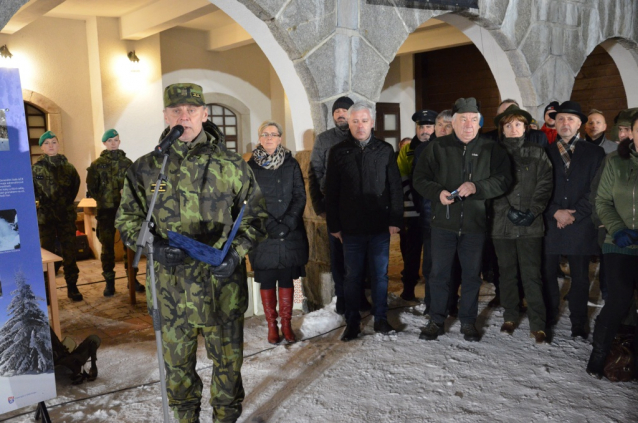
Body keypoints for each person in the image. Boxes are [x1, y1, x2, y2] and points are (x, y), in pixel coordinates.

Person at [115, 83, 267, 423]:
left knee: (228, 367)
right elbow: (127, 218)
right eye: (176, 111)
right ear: (166, 116)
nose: (184, 117)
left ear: (204, 114)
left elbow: (256, 217)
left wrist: (236, 253)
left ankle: (226, 418)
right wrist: (154, 246)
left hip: (221, 288)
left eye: (191, 111)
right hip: (171, 291)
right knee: (178, 370)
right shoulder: (146, 167)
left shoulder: (232, 165)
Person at [413, 97, 512, 342]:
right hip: (442, 224)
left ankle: (468, 321)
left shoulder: (492, 149)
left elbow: (504, 180)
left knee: (470, 275)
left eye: (473, 120)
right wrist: (437, 193)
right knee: (438, 275)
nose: (468, 124)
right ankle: (436, 320)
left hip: (475, 225)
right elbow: (420, 179)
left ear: (479, 123)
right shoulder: (437, 147)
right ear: (454, 123)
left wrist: (477, 187)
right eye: (463, 120)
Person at [325, 102, 403, 341]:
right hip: (351, 228)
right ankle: (352, 322)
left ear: (372, 122)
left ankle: (380, 319)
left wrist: (395, 219)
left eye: (364, 121)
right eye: (355, 121)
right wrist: (334, 226)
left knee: (380, 275)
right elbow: (331, 191)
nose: (360, 126)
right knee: (352, 276)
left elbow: (395, 187)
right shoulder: (338, 152)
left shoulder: (385, 149)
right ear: (348, 123)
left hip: (379, 226)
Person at [543, 101, 605, 339]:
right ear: (554, 123)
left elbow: (597, 189)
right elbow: (539, 189)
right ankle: (549, 317)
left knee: (580, 276)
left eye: (571, 119)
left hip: (581, 223)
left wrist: (575, 213)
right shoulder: (546, 152)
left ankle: (579, 322)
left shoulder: (595, 153)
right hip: (551, 223)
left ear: (580, 124)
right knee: (548, 273)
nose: (565, 123)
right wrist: (555, 211)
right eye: (560, 119)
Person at [490, 105, 553, 344]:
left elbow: (545, 183)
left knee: (531, 274)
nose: (513, 129)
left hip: (531, 224)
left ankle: (538, 324)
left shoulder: (538, 152)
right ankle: (510, 315)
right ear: (502, 129)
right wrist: (508, 210)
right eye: (508, 125)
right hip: (502, 224)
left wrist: (533, 211)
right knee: (507, 273)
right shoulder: (494, 153)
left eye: (518, 124)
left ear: (525, 128)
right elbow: (492, 185)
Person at [586, 115, 638, 378]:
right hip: (619, 242)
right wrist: (617, 230)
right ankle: (598, 354)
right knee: (619, 299)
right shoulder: (615, 162)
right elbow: (603, 201)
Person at [248, 121, 308, 345]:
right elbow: (250, 201)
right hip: (264, 233)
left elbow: (300, 195)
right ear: (260, 138)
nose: (270, 138)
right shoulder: (251, 166)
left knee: (286, 279)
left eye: (274, 134)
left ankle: (286, 323)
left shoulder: (291, 164)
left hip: (289, 232)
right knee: (266, 279)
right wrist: (271, 225)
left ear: (280, 138)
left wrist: (288, 222)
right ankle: (272, 326)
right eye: (265, 134)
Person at [308, 96, 358, 315]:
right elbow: (314, 172)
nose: (340, 114)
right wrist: (321, 206)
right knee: (337, 254)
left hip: (359, 208)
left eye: (344, 110)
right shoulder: (324, 139)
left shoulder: (361, 136)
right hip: (334, 207)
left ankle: (358, 296)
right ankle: (341, 297)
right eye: (336, 111)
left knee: (358, 254)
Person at [86, 129, 143, 297]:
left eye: (116, 140)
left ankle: (132, 280)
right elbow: (92, 188)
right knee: (107, 248)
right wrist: (105, 199)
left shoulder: (128, 163)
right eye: (109, 140)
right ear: (104, 143)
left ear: (119, 142)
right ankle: (109, 282)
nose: (113, 143)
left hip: (126, 212)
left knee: (129, 247)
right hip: (106, 212)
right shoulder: (97, 165)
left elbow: (135, 185)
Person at [411, 109, 454, 312]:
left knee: (453, 264)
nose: (443, 129)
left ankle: (451, 302)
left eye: (448, 125)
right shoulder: (423, 150)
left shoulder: (462, 147)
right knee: (430, 264)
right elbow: (418, 183)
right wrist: (423, 209)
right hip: (430, 215)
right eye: (440, 125)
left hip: (455, 216)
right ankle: (431, 304)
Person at [33, 131, 83, 301]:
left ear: (58, 145)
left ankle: (72, 287)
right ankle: (46, 290)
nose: (51, 145)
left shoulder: (68, 168)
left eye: (54, 142)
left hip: (65, 216)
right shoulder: (35, 169)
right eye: (47, 143)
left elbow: (74, 188)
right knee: (46, 253)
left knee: (69, 252)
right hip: (45, 218)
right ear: (42, 147)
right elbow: (33, 192)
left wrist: (64, 204)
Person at [396, 109, 438, 301]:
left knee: (432, 254)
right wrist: (411, 200)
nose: (424, 130)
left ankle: (432, 293)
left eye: (428, 126)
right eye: (421, 126)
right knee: (410, 252)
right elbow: (401, 176)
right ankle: (409, 288)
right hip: (412, 211)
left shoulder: (440, 146)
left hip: (433, 211)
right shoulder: (407, 150)